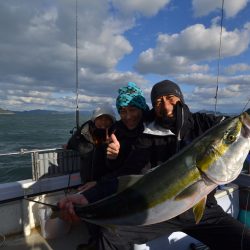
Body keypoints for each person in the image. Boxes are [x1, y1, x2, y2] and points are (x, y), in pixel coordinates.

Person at [60, 79, 250, 250]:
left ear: (181, 99)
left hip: (204, 211)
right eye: (158, 101)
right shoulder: (146, 136)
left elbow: (233, 128)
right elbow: (127, 174)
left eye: (171, 98)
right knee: (110, 236)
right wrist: (88, 196)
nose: (166, 106)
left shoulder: (203, 123)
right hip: (161, 216)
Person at [66, 103, 116, 183]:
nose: (103, 122)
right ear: (94, 119)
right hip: (86, 180)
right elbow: (72, 143)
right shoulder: (84, 130)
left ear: (112, 121)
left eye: (107, 119)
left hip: (105, 182)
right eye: (100, 118)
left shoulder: (117, 135)